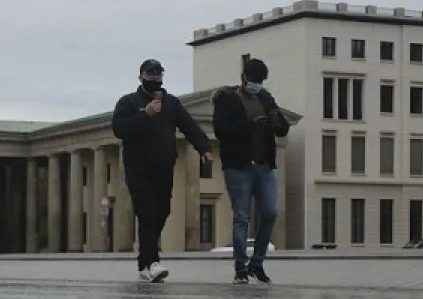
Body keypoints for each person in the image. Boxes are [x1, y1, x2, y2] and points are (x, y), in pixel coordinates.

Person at [112, 58, 213, 282]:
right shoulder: (128, 102)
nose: (155, 77)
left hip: (164, 167)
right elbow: (119, 129)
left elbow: (190, 127)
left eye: (158, 74)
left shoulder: (171, 103)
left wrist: (204, 148)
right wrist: (144, 115)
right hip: (139, 168)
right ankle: (151, 262)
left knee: (162, 212)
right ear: (141, 77)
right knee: (147, 213)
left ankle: (145, 263)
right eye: (150, 74)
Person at [212, 56, 292, 284]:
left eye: (261, 80)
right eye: (254, 79)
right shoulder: (227, 99)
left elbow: (282, 130)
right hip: (238, 167)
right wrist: (250, 125)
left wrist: (278, 121)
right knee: (241, 217)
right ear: (244, 77)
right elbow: (221, 131)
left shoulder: (265, 98)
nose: (257, 84)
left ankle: (257, 263)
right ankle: (240, 268)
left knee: (270, 213)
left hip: (264, 166)